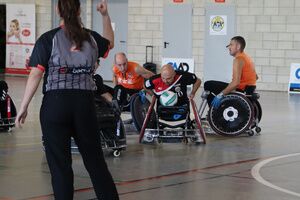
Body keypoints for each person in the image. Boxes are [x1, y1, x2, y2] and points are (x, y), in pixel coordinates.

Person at [15, 0, 119, 199]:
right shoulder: (92, 38)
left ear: (58, 10)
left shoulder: (48, 39)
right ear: (80, 10)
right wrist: (105, 16)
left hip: (55, 105)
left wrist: (24, 106)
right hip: (84, 105)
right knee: (95, 162)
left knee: (60, 167)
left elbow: (36, 73)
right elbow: (110, 42)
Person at [204, 36, 258, 108]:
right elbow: (256, 77)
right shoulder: (247, 58)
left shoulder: (238, 59)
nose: (229, 47)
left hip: (241, 91)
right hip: (248, 90)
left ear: (238, 46)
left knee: (208, 84)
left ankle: (214, 111)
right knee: (223, 85)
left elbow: (236, 82)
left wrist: (221, 94)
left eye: (231, 45)